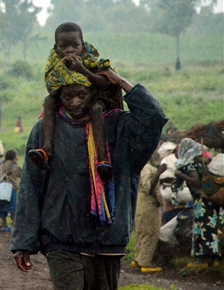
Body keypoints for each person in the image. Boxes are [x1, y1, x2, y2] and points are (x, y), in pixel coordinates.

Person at [11, 69, 167, 290]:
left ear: (93, 94)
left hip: (107, 241)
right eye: (67, 96)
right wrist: (23, 243)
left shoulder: (120, 127)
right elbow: (31, 186)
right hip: (61, 239)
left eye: (81, 95)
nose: (74, 103)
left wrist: (122, 83)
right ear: (58, 97)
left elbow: (154, 119)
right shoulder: (46, 131)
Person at [28, 22, 120, 181]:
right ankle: (47, 148)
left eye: (74, 45)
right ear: (56, 48)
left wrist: (82, 70)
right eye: (64, 46)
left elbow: (104, 83)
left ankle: (103, 158)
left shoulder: (90, 61)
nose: (70, 50)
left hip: (95, 97)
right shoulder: (55, 64)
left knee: (95, 108)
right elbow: (52, 87)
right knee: (48, 101)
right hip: (67, 99)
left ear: (82, 46)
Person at [173, 139, 221, 270]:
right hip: (210, 200)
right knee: (211, 229)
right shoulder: (201, 163)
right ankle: (213, 259)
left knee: (202, 228)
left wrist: (180, 175)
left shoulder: (191, 165)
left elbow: (196, 182)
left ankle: (203, 259)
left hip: (202, 202)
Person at [132, 147, 167, 274]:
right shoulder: (148, 169)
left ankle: (138, 258)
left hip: (142, 205)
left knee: (142, 232)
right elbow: (149, 188)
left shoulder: (144, 168)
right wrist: (158, 173)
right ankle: (145, 263)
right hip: (149, 206)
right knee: (151, 233)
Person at [0, 149, 22, 233]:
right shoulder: (16, 167)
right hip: (12, 189)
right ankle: (14, 226)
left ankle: (4, 226)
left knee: (2, 207)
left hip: (3, 190)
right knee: (13, 208)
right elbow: (20, 175)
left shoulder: (2, 166)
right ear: (13, 157)